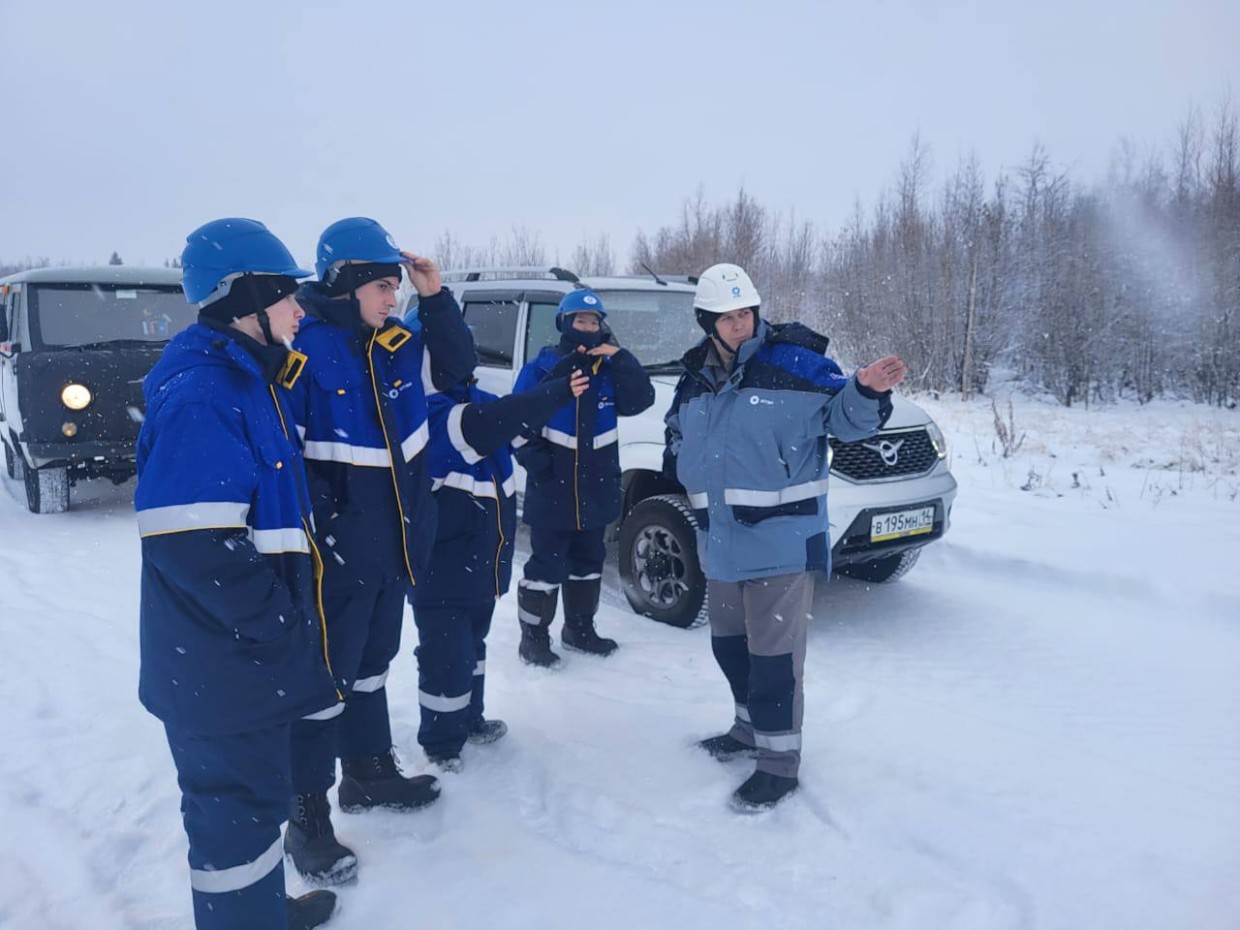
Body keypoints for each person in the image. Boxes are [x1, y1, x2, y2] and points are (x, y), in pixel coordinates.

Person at [135, 218, 341, 929]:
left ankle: (259, 913)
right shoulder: (206, 394)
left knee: (252, 809)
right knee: (233, 821)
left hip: (238, 657)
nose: (299, 309)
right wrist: (277, 623)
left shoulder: (249, 380)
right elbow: (192, 544)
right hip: (222, 660)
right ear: (244, 296)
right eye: (286, 294)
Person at [663, 262, 906, 812]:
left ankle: (778, 766)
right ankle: (747, 729)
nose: (740, 324)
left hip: (780, 542)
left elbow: (845, 420)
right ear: (707, 322)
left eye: (746, 313)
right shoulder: (694, 377)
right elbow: (676, 431)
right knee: (730, 649)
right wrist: (678, 460)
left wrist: (866, 391)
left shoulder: (794, 363)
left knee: (774, 661)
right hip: (720, 542)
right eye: (727, 317)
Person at [283, 217, 475, 884]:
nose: (393, 299)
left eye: (396, 287)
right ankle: (306, 819)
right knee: (321, 686)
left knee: (371, 666)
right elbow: (287, 455)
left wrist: (436, 296)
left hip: (395, 548)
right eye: (383, 287)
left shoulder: (395, 344)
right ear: (346, 283)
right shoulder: (305, 347)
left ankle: (366, 772)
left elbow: (458, 369)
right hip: (337, 555)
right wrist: (330, 528)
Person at [412, 348, 591, 769]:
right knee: (446, 657)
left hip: (480, 563)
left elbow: (516, 416)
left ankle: (469, 719)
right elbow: (499, 420)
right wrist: (557, 390)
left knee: (472, 648)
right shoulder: (429, 412)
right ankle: (441, 744)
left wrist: (559, 376)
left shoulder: (472, 400)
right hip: (443, 567)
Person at [511, 289, 655, 667]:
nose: (589, 327)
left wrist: (620, 357)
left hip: (596, 487)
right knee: (546, 567)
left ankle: (579, 630)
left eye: (594, 322)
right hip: (553, 489)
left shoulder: (608, 371)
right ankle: (533, 638)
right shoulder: (541, 369)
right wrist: (541, 466)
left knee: (589, 562)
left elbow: (641, 399)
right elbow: (515, 424)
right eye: (581, 320)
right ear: (565, 323)